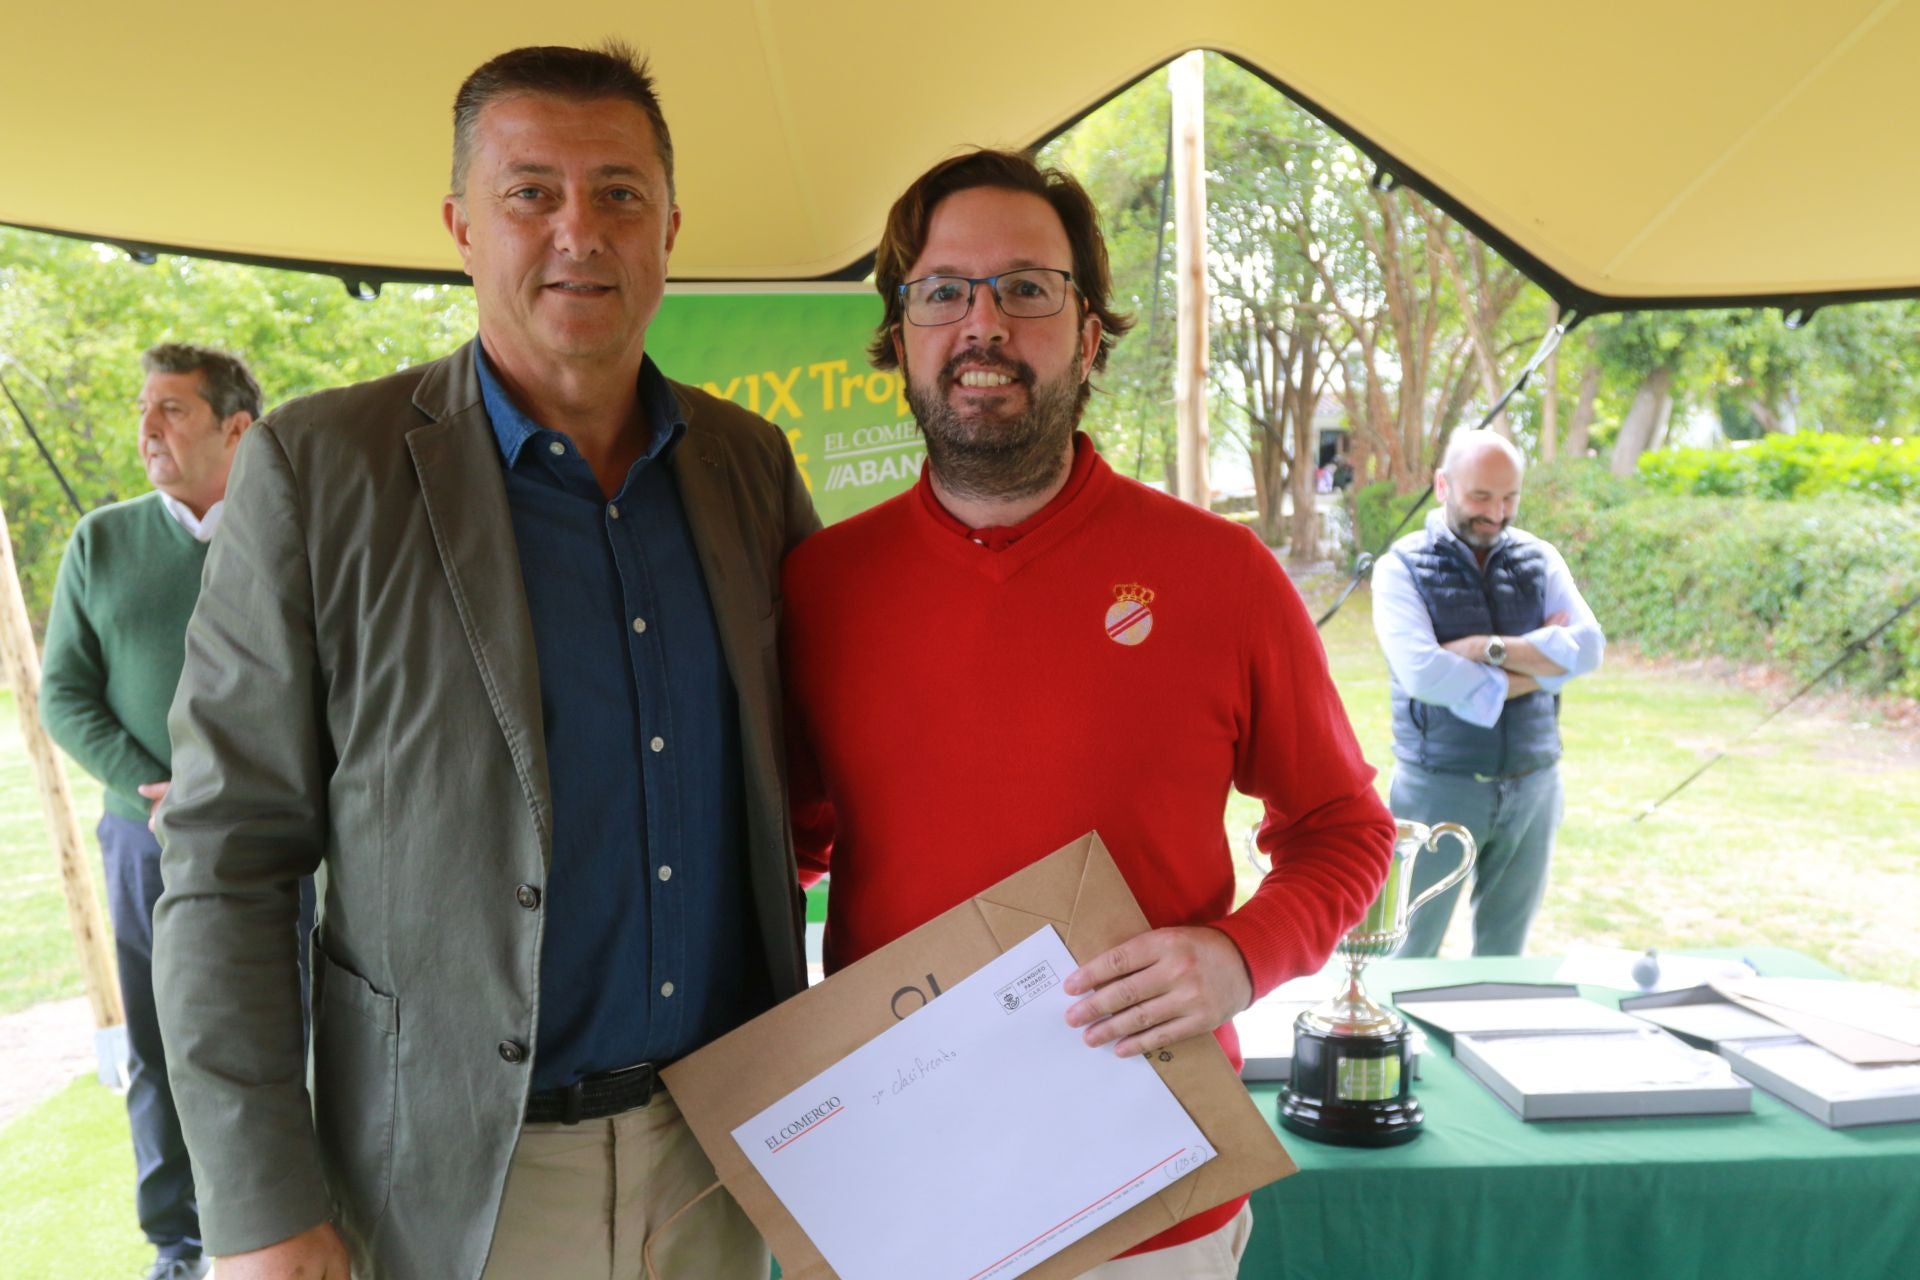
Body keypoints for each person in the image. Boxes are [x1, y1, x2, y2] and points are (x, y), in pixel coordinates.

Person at [152, 44, 816, 1280]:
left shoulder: (747, 465)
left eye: (620, 193)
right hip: (455, 1182)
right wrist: (258, 1201)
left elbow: (832, 765)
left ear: (672, 227)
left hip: (720, 1164)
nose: (580, 231)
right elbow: (228, 854)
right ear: (461, 226)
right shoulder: (321, 467)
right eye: (531, 193)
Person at [781, 150, 1395, 1278]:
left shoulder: (1220, 574)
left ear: (1091, 334)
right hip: (904, 1186)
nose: (983, 323)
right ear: (901, 335)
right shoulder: (820, 587)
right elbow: (787, 840)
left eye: (1028, 287)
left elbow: (1345, 826)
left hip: (1149, 1200)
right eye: (944, 290)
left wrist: (1241, 956)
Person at [41, 342, 304, 1280]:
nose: (148, 429)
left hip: (285, 843)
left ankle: (306, 1219)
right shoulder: (100, 543)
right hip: (143, 841)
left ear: (238, 428)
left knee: (297, 1028)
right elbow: (62, 694)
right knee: (160, 1044)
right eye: (143, 411)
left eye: (173, 410)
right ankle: (179, 1244)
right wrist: (155, 785)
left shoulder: (293, 532)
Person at [1370, 429, 1605, 957]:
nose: (1497, 514)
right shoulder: (1399, 568)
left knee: (1505, 960)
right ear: (1442, 486)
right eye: (1481, 497)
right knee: (1407, 953)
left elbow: (1589, 649)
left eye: (1509, 498)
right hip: (1437, 787)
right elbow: (1424, 674)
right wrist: (1544, 664)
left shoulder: (1540, 557)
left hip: (1535, 784)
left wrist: (1483, 649)